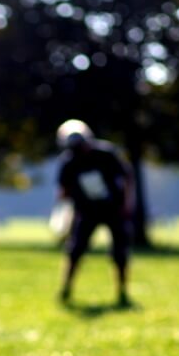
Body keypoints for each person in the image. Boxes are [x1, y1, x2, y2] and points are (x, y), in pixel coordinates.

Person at [54, 119, 136, 307]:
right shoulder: (69, 161)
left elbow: (127, 176)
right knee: (75, 250)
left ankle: (122, 291)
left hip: (113, 209)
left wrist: (127, 203)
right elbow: (63, 191)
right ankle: (66, 288)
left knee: (120, 252)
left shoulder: (106, 154)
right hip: (86, 211)